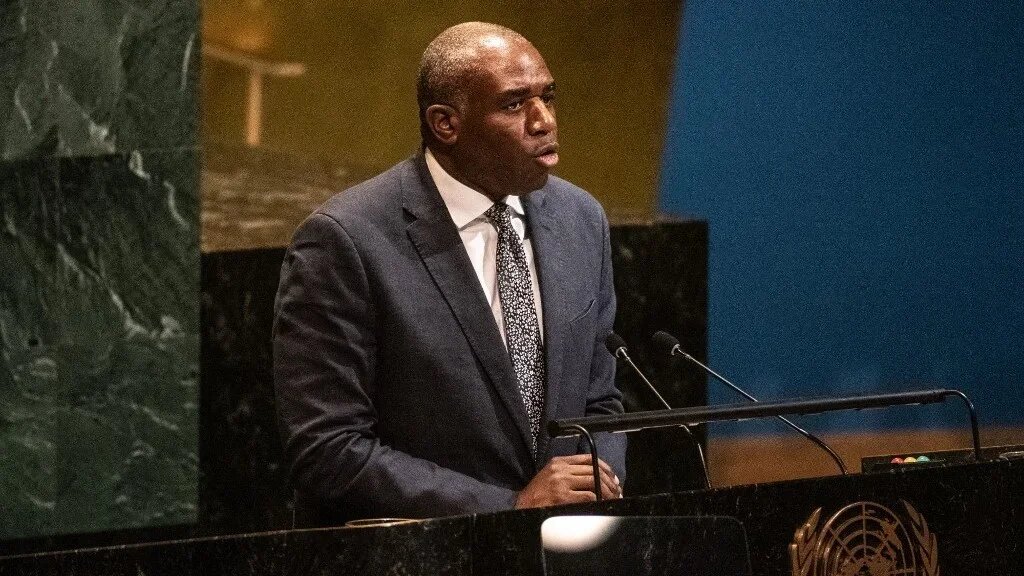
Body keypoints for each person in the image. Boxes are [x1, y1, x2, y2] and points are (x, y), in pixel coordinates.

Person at [273, 21, 625, 525]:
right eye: (514, 104)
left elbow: (600, 399)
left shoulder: (581, 218)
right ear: (446, 123)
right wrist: (507, 509)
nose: (544, 120)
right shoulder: (345, 240)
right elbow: (329, 448)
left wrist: (597, 475)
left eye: (548, 96)